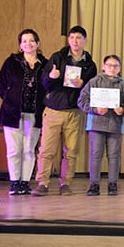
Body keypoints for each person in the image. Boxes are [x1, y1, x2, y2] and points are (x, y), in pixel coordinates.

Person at [32, 25, 98, 196]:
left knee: (71, 151)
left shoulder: (90, 65)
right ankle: (42, 182)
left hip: (74, 111)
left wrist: (83, 85)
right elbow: (44, 82)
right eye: (72, 38)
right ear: (68, 40)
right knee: (46, 149)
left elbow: (93, 91)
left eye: (78, 38)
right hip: (53, 109)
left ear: (85, 41)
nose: (75, 41)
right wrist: (50, 77)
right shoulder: (57, 57)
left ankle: (66, 183)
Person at [0, 29, 48, 196]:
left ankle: (25, 182)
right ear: (20, 45)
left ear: (38, 44)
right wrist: (9, 100)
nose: (28, 44)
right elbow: (1, 84)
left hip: (34, 114)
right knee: (13, 149)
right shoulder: (11, 62)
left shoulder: (45, 64)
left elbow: (48, 86)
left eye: (32, 40)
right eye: (24, 41)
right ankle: (14, 182)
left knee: (28, 149)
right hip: (12, 113)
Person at [77, 55, 124, 196]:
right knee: (96, 154)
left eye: (115, 66)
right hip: (96, 124)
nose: (112, 68)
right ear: (103, 66)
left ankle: (112, 184)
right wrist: (95, 109)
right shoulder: (94, 82)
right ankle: (94, 184)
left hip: (115, 124)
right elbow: (81, 101)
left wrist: (123, 110)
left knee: (114, 155)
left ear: (119, 68)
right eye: (109, 65)